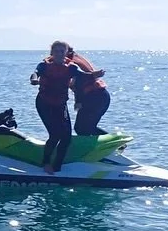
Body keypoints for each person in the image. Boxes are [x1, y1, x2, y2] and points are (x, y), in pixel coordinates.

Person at [29, 40, 104, 173]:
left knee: (66, 137)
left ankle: (57, 167)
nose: (59, 54)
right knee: (55, 134)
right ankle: (45, 163)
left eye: (62, 51)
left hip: (60, 105)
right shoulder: (44, 65)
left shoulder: (71, 67)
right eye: (56, 51)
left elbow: (83, 75)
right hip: (44, 104)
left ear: (66, 53)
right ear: (52, 53)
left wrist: (95, 74)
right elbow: (35, 73)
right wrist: (34, 80)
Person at [66, 46, 111, 136]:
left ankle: (112, 143)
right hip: (101, 96)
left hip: (95, 97)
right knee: (86, 127)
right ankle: (114, 143)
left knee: (81, 128)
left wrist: (78, 101)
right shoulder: (75, 59)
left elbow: (79, 82)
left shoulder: (72, 64)